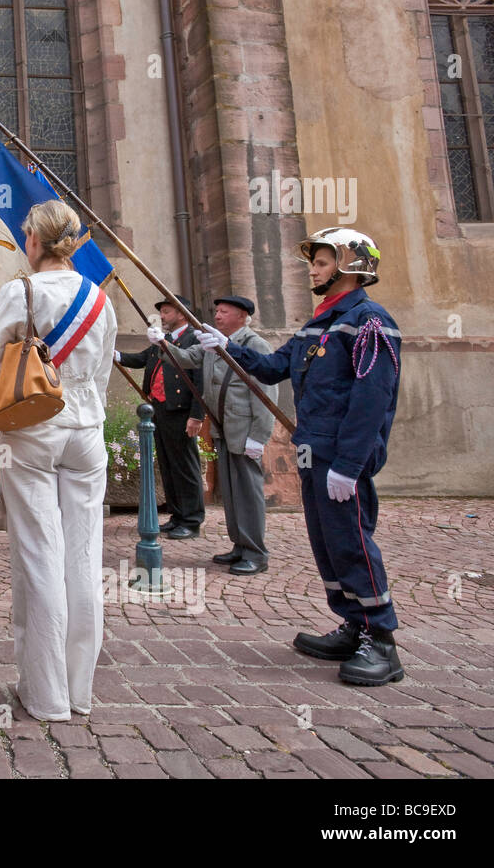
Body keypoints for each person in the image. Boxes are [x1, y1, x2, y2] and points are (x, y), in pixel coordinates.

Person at [197, 228, 403, 686]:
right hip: (312, 450)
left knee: (351, 542)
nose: (313, 268)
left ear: (351, 266)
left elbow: (373, 399)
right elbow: (274, 367)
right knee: (327, 544)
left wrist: (351, 465)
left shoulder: (368, 321)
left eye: (323, 262)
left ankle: (382, 642)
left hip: (342, 457)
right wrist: (227, 347)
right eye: (315, 262)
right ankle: (354, 625)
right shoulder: (318, 325)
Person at [0, 200, 117, 720]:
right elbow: (101, 372)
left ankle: (47, 694)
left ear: (32, 240)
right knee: (83, 557)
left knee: (38, 555)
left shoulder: (22, 291)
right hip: (87, 433)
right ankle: (80, 690)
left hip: (32, 430)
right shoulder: (99, 298)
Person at [168, 295, 278, 575]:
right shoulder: (212, 343)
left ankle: (256, 552)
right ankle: (240, 545)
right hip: (223, 429)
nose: (217, 316)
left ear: (241, 316)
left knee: (247, 494)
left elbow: (265, 393)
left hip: (244, 432)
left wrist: (259, 436)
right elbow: (188, 358)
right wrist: (162, 343)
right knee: (231, 494)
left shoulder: (255, 345)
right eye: (216, 310)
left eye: (224, 312)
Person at [116, 296, 206, 537]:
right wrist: (115, 355)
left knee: (186, 467)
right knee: (168, 465)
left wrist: (197, 416)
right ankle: (177, 515)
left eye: (167, 312)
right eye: (163, 312)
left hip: (182, 411)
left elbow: (201, 380)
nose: (163, 316)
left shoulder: (194, 339)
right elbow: (141, 359)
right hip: (160, 410)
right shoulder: (162, 340)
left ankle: (191, 520)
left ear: (182, 314)